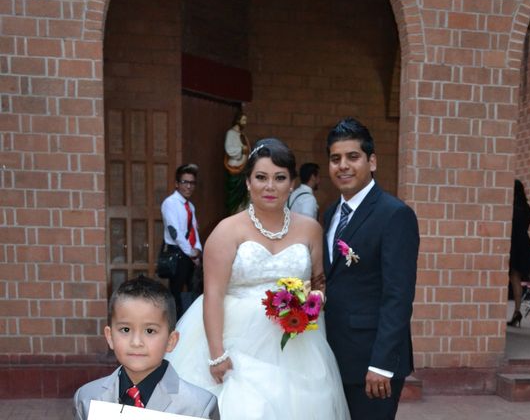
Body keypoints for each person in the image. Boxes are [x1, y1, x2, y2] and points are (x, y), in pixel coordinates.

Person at [165, 138, 350, 420]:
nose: (270, 186)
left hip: (295, 345)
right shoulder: (227, 231)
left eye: (279, 178)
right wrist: (217, 354)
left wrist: (312, 303)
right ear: (249, 182)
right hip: (234, 341)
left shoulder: (310, 229)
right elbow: (213, 294)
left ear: (291, 184)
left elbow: (318, 281)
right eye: (261, 177)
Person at [323, 117, 419, 420]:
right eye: (335, 158)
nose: (343, 166)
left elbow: (398, 295)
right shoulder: (330, 214)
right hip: (334, 354)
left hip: (373, 363)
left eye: (353, 157)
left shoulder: (395, 215)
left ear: (372, 161)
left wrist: (381, 364)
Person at [73, 276, 220, 419]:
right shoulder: (87, 398)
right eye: (125, 330)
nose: (136, 342)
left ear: (171, 340)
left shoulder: (199, 407)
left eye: (150, 331)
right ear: (110, 337)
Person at [161, 163, 202, 319]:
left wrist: (198, 250)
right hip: (177, 253)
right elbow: (175, 233)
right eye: (185, 182)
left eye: (192, 183)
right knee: (176, 295)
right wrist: (191, 252)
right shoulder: (170, 203)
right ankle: (176, 331)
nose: (189, 186)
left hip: (189, 255)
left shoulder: (190, 206)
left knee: (192, 294)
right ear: (177, 184)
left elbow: (193, 230)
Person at [507, 179, 530, 327]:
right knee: (516, 279)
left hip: (512, 244)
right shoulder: (526, 209)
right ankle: (517, 311)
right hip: (523, 245)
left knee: (507, 278)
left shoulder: (510, 208)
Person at [224, 110, 251, 215]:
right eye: (243, 120)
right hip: (234, 167)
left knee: (242, 194)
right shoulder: (231, 133)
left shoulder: (242, 135)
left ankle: (240, 211)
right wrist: (241, 150)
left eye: (245, 120)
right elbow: (229, 149)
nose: (244, 122)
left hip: (243, 168)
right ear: (237, 120)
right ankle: (233, 212)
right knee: (234, 195)